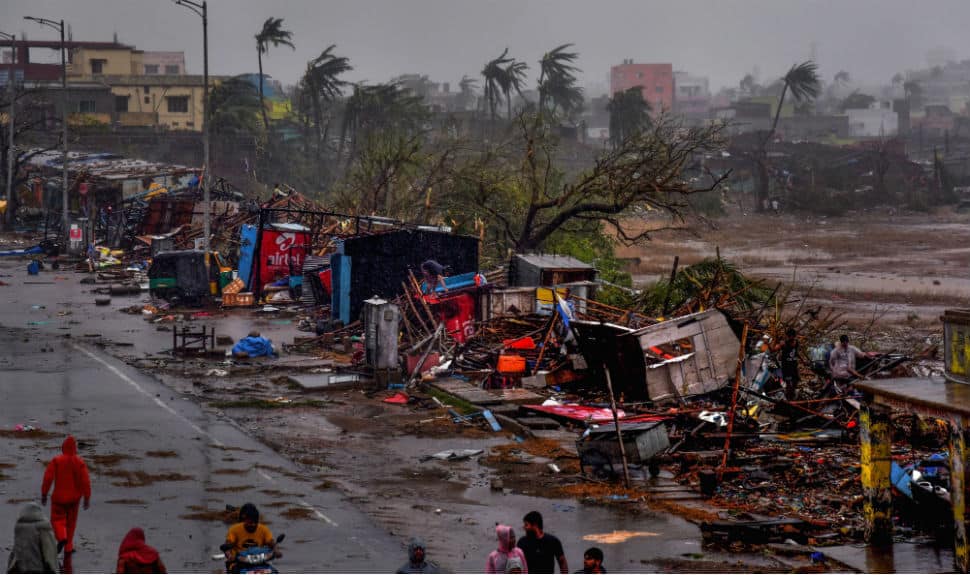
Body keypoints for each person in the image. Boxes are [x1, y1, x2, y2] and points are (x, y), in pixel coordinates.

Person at [41, 435, 91, 555]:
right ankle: (68, 546)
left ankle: (62, 537)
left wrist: (44, 493)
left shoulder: (57, 460)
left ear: (63, 447)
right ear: (75, 448)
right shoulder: (80, 462)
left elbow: (48, 478)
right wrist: (87, 497)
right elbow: (86, 481)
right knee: (71, 522)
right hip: (74, 499)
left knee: (57, 520)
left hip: (59, 498)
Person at [223, 503, 276, 573]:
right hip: (239, 562)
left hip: (259, 561)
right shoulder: (234, 529)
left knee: (274, 571)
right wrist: (229, 554)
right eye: (250, 522)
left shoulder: (264, 529)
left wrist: (275, 549)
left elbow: (271, 543)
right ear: (245, 520)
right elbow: (228, 544)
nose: (253, 525)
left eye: (255, 522)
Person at [7, 503, 59, 574]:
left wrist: (9, 569)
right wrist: (53, 569)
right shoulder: (44, 526)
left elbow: (16, 551)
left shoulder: (19, 527)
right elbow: (49, 550)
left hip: (22, 569)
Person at [777, 328, 800, 401]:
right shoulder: (783, 344)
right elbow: (773, 349)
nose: (791, 337)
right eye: (790, 336)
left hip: (794, 366)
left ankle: (791, 396)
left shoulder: (796, 343)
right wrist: (768, 343)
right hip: (786, 367)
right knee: (788, 384)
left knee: (795, 382)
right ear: (787, 336)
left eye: (793, 336)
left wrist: (802, 361)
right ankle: (789, 398)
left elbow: (796, 353)